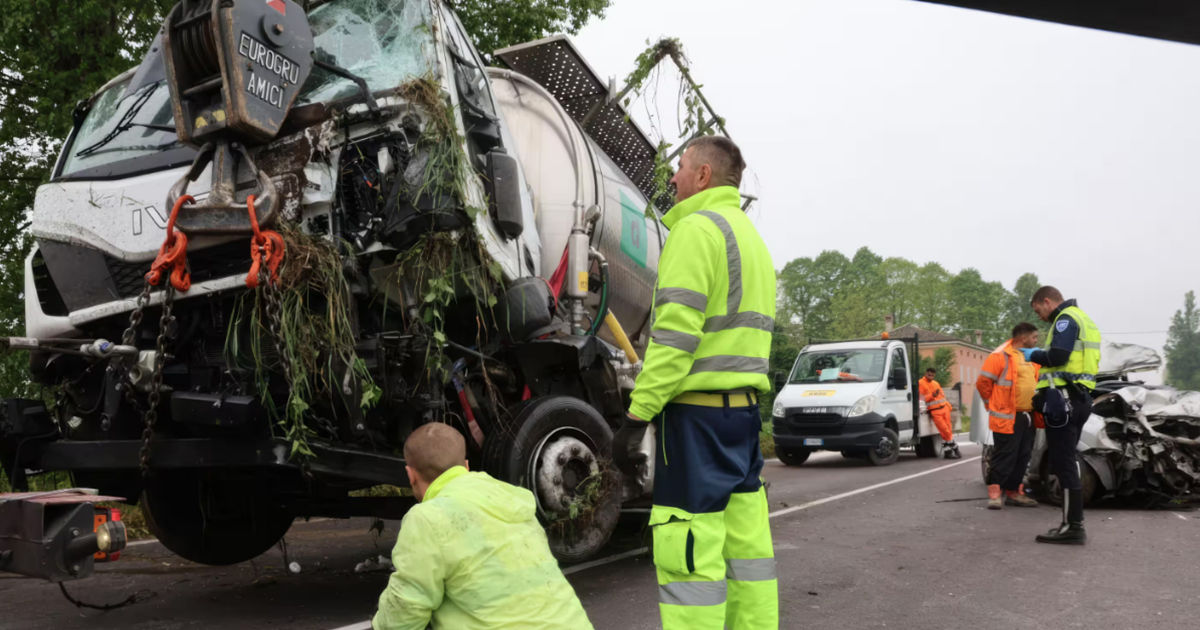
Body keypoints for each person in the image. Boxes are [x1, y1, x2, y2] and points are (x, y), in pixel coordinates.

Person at [611, 136, 778, 630]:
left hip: (697, 420)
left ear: (703, 176)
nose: (674, 177)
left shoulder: (695, 232)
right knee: (747, 550)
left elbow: (674, 343)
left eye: (681, 167)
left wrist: (637, 415)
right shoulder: (750, 239)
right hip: (744, 415)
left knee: (689, 552)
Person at [372, 423, 593, 629]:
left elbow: (405, 610)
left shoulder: (428, 518)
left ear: (410, 475)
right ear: (466, 467)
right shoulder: (513, 500)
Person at [1021, 286, 1101, 545]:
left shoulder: (1066, 320)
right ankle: (1071, 523)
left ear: (1047, 301)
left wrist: (1033, 355)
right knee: (1067, 460)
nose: (1040, 317)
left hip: (1064, 400)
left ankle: (1073, 526)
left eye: (1038, 310)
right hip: (1079, 398)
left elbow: (1058, 356)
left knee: (1064, 461)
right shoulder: (1085, 319)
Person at [977, 322, 1042, 509]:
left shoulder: (1032, 356)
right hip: (1006, 416)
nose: (1036, 340)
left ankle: (1014, 493)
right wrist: (991, 404)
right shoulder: (1000, 355)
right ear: (1023, 337)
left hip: (1027, 415)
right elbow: (983, 383)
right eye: (1034, 337)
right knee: (1004, 455)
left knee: (1023, 456)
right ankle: (995, 494)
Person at [919, 368, 961, 459]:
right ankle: (954, 447)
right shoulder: (921, 383)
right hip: (935, 411)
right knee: (944, 430)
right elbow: (921, 399)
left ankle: (948, 451)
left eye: (932, 375)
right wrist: (932, 396)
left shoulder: (936, 383)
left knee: (948, 430)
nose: (931, 376)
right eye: (929, 375)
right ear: (926, 373)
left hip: (944, 409)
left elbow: (942, 396)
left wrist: (948, 406)